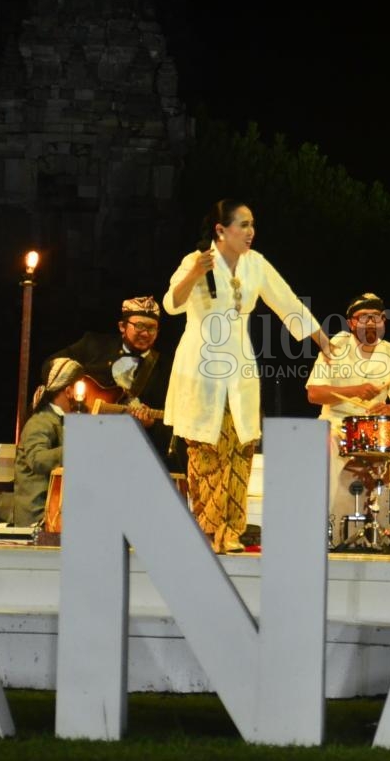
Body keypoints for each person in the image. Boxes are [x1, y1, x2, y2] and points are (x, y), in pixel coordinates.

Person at [164, 199, 334, 554]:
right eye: (243, 224)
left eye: (252, 224)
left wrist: (320, 339)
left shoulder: (255, 264)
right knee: (208, 447)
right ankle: (208, 530)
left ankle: (231, 531)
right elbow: (171, 303)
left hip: (239, 364)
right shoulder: (196, 261)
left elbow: (285, 301)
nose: (250, 231)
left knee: (241, 445)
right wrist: (195, 273)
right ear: (221, 230)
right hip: (202, 365)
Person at [306, 292, 390, 548]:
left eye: (376, 316)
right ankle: (321, 527)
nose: (370, 322)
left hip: (378, 430)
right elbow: (314, 393)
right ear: (351, 323)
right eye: (364, 317)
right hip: (338, 425)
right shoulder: (333, 348)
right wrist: (354, 390)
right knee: (326, 450)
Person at [45, 295, 179, 472]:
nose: (146, 333)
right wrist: (74, 394)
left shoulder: (168, 369)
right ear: (122, 327)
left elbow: (172, 427)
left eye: (152, 328)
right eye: (139, 326)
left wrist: (151, 425)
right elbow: (51, 366)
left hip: (132, 456)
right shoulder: (93, 344)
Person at [14, 357, 83, 527]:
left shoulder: (64, 421)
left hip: (57, 516)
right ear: (68, 391)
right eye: (80, 387)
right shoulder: (40, 422)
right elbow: (37, 459)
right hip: (38, 517)